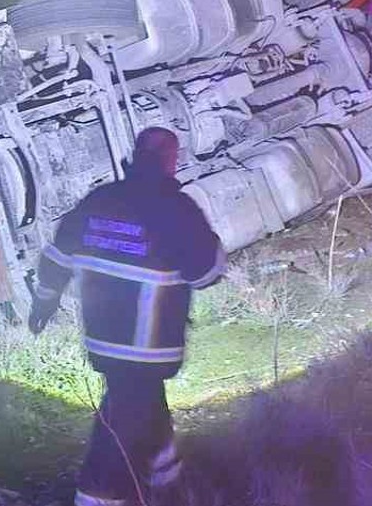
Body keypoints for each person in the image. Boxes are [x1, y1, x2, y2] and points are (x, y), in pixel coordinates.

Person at [28, 127, 226, 506]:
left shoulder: (100, 200)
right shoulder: (176, 209)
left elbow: (57, 257)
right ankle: (98, 497)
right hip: (148, 347)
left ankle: (169, 482)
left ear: (134, 156)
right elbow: (206, 274)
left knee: (145, 405)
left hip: (104, 342)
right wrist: (213, 244)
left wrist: (44, 302)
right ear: (172, 160)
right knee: (120, 427)